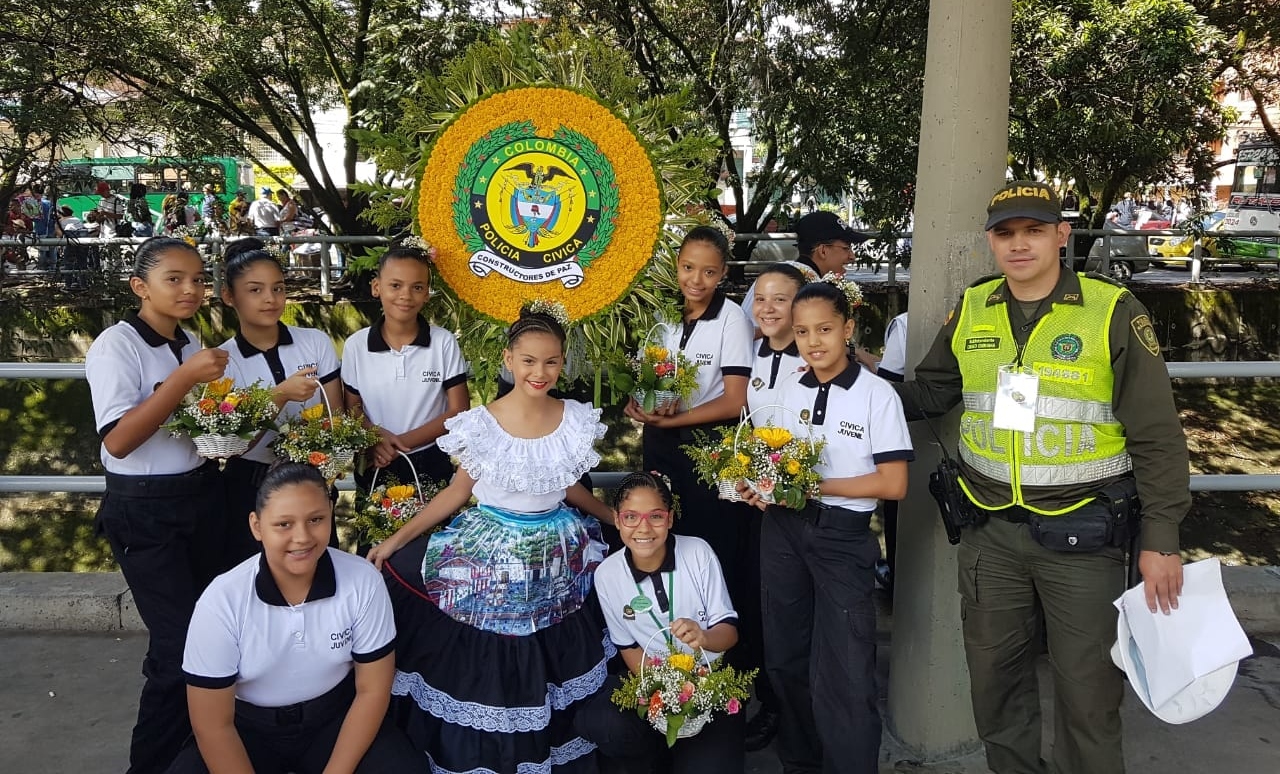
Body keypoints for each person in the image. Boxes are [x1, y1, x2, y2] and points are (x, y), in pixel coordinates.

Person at [892, 180, 1189, 774]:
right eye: (1005, 234)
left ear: (1061, 235)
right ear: (990, 242)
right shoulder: (974, 306)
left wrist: (1161, 539)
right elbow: (931, 391)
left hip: (1084, 537)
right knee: (995, 691)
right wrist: (845, 379)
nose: (1018, 245)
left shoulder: (1113, 311)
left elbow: (1157, 435)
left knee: (1089, 697)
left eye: (1033, 231)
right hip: (989, 535)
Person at [366, 306, 617, 773]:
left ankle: (550, 739)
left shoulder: (576, 419)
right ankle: (489, 749)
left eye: (550, 362)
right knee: (493, 641)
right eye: (528, 361)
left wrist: (611, 515)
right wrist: (397, 539)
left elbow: (566, 484)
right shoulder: (480, 423)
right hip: (493, 546)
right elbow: (458, 492)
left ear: (563, 363)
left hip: (555, 548)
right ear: (508, 359)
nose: (538, 372)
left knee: (550, 644)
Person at [742, 278, 913, 774]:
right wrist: (757, 485)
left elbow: (894, 482)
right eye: (801, 332)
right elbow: (767, 458)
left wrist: (814, 487)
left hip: (841, 537)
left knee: (846, 667)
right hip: (782, 531)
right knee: (785, 655)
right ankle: (800, 759)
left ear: (848, 329)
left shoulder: (877, 395)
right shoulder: (786, 385)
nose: (813, 342)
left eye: (824, 329)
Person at [85, 236, 231, 774]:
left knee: (210, 638)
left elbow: (197, 424)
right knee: (176, 651)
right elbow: (119, 441)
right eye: (174, 279)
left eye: (197, 279)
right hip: (145, 511)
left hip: (199, 498)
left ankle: (195, 755)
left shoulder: (187, 341)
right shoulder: (115, 345)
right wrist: (185, 379)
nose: (190, 289)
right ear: (139, 287)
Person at [165, 464, 418, 773]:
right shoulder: (223, 600)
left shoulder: (362, 581)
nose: (302, 537)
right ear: (257, 526)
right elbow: (213, 725)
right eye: (284, 524)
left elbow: (372, 690)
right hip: (245, 729)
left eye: (316, 520)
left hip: (336, 719)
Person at [623, 225, 758, 683]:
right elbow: (649, 378)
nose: (695, 280)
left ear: (722, 274)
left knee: (713, 555)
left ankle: (726, 670)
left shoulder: (733, 319)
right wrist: (637, 403)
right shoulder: (661, 315)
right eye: (687, 268)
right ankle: (673, 659)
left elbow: (735, 400)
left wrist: (673, 420)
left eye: (708, 272)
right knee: (665, 544)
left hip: (708, 451)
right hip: (660, 444)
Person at [576, 471, 746, 774]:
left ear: (669, 519)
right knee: (602, 722)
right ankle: (652, 755)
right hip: (654, 684)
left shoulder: (698, 553)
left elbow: (729, 632)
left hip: (709, 681)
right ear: (616, 520)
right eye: (631, 517)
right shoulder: (608, 574)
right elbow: (627, 647)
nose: (643, 528)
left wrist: (704, 638)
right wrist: (664, 690)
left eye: (655, 516)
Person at [216, 239, 342, 566]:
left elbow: (336, 417)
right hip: (249, 485)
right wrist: (280, 394)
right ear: (229, 296)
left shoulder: (314, 341)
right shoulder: (222, 361)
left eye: (278, 288)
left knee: (320, 574)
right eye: (255, 290)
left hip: (311, 477)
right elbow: (234, 445)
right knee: (255, 582)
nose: (270, 299)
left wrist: (321, 455)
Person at [741, 261, 810, 750]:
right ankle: (773, 705)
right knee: (763, 608)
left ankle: (801, 721)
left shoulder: (813, 360)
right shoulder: (756, 352)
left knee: (800, 621)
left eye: (779, 298)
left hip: (800, 504)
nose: (766, 307)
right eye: (760, 297)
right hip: (759, 504)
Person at [341, 241, 469, 494]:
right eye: (395, 285)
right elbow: (352, 408)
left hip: (430, 459)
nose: (406, 296)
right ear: (376, 287)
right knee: (375, 530)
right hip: (374, 459)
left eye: (417, 287)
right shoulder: (356, 345)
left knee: (433, 531)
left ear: (427, 293)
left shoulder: (442, 341)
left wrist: (397, 445)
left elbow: (458, 409)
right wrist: (376, 439)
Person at [853, 311, 909, 590]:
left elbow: (888, 380)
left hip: (901, 433)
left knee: (897, 516)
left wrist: (863, 360)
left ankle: (895, 577)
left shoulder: (904, 324)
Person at [740, 211, 865, 323]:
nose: (852, 257)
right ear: (823, 251)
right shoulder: (801, 284)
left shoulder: (780, 273)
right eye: (846, 248)